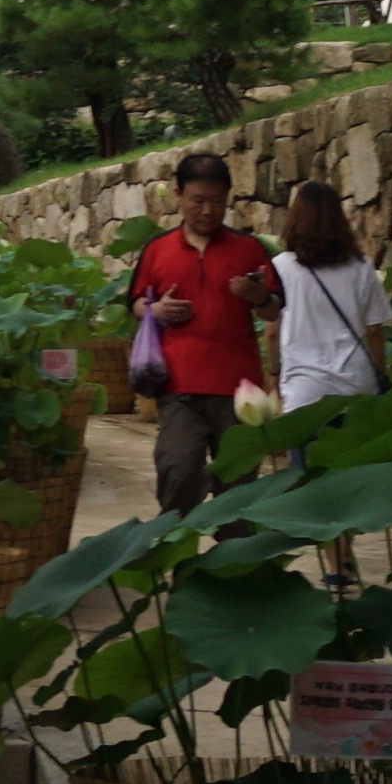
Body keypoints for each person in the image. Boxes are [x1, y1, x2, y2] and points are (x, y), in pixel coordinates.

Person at [120, 151, 277, 513]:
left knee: (238, 491)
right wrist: (155, 310)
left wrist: (259, 296)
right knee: (178, 468)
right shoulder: (157, 249)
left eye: (217, 201)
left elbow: (274, 308)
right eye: (198, 200)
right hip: (178, 385)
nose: (207, 211)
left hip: (238, 389)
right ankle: (178, 540)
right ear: (178, 195)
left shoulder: (249, 249)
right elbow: (135, 302)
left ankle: (233, 548)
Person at [263, 182, 392, 414]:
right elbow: (374, 331)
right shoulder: (361, 267)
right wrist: (381, 373)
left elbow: (273, 332)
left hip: (304, 390)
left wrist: (274, 372)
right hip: (356, 385)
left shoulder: (279, 267)